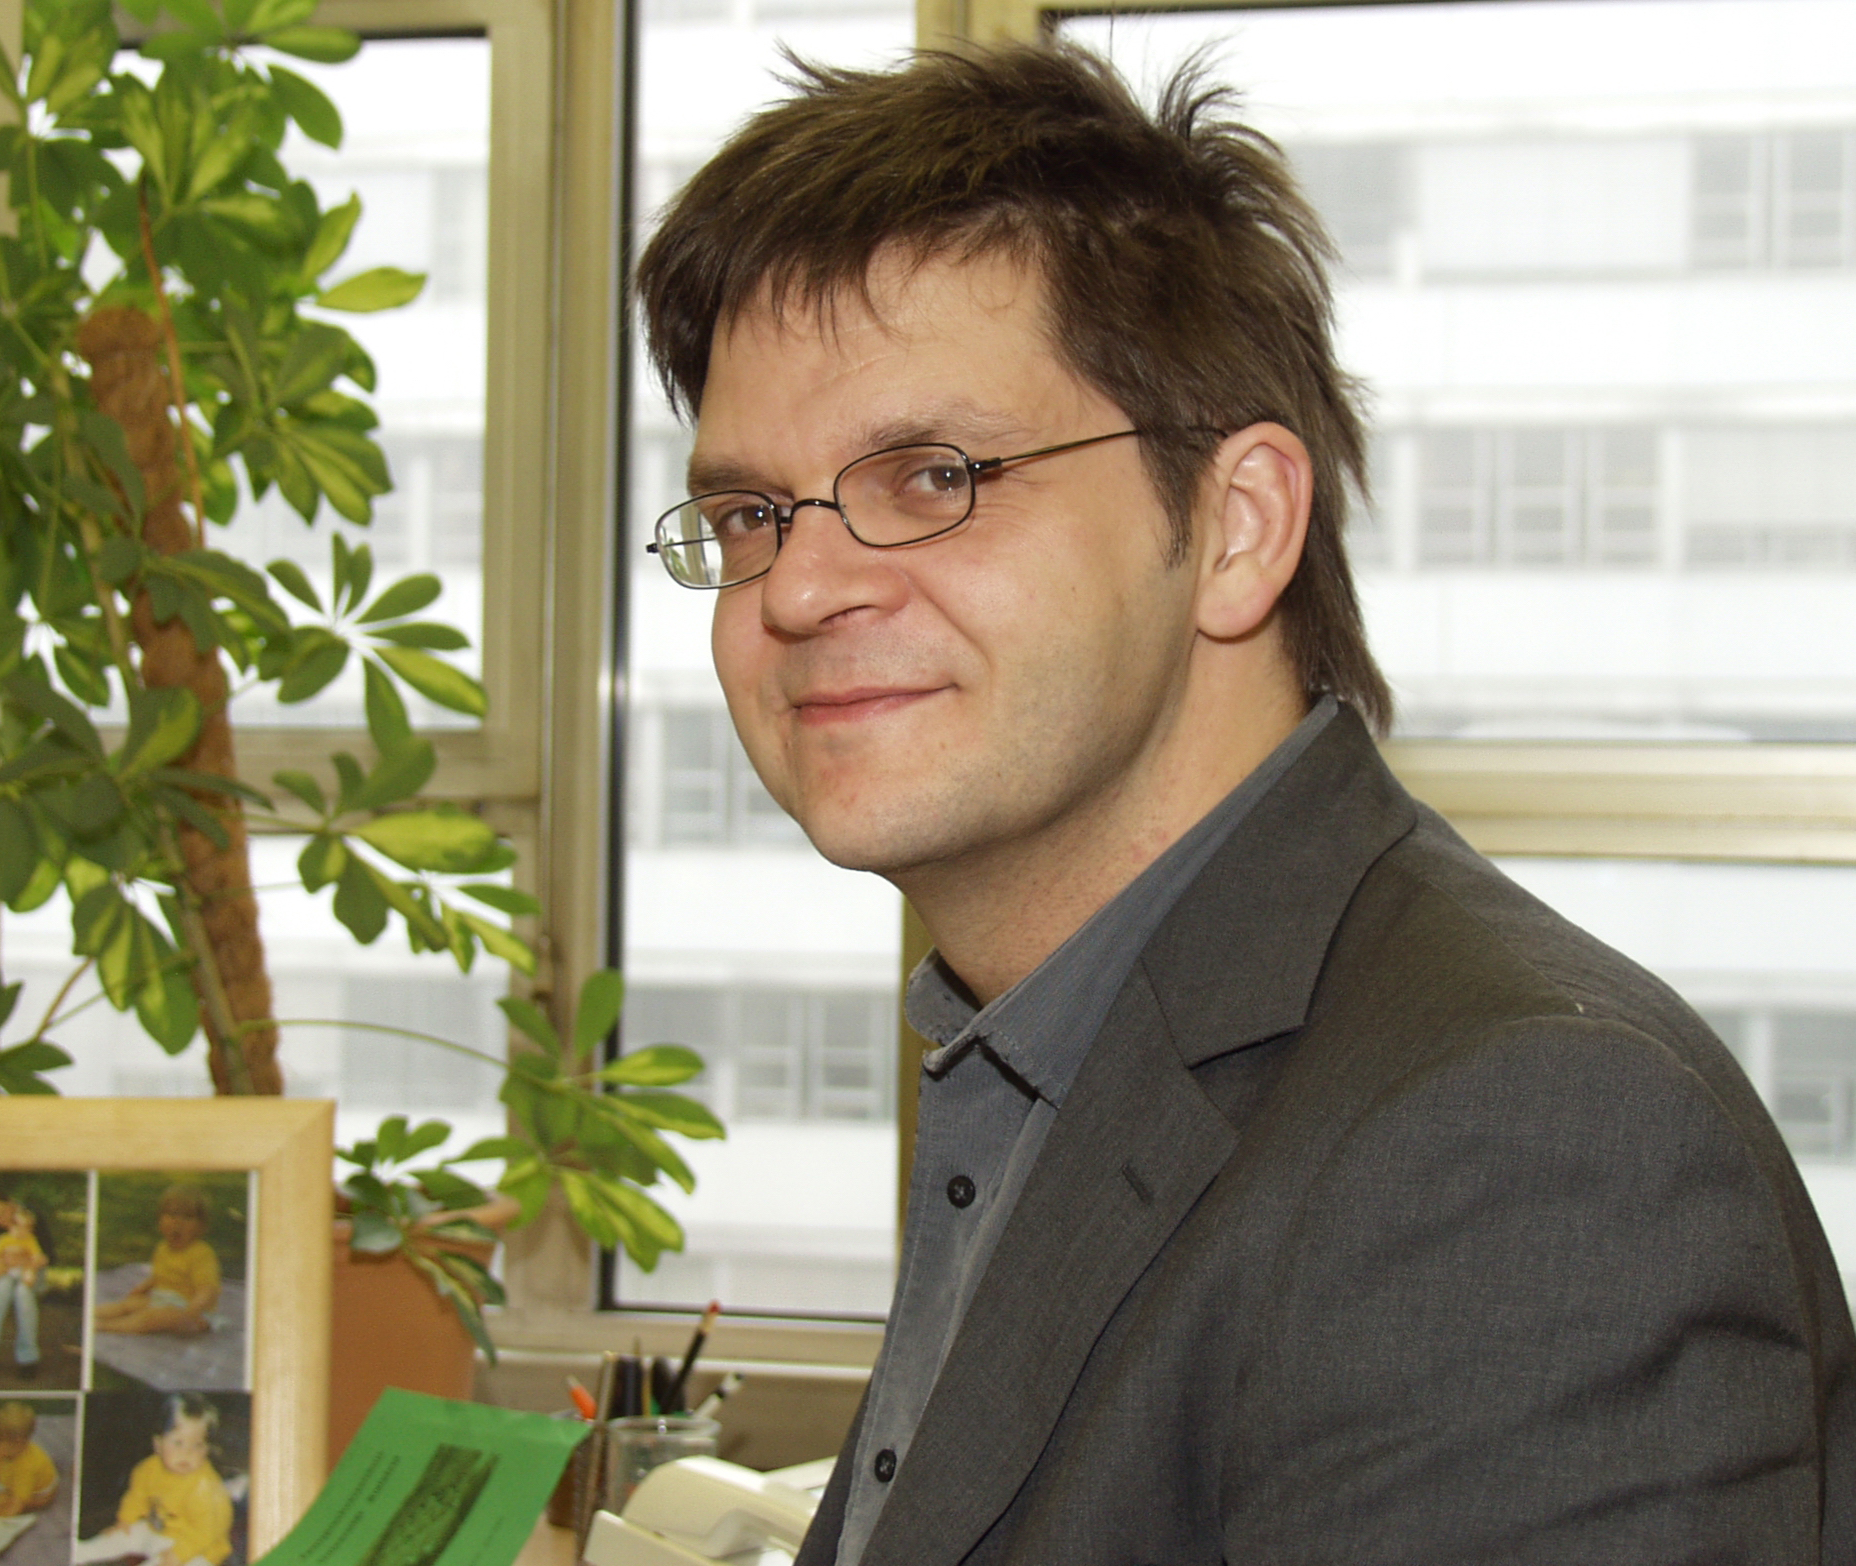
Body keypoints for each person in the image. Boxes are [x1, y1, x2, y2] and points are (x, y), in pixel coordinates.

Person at [633, 40, 1856, 1563]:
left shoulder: (1517, 1147)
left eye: (933, 476)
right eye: (750, 511)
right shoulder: (1052, 1055)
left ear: (1236, 527)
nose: (797, 587)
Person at [107, 1394, 232, 1566]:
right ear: (158, 1444)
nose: (187, 1453)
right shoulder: (147, 1469)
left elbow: (206, 1532)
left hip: (202, 1547)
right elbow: (136, 1497)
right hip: (165, 1532)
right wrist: (124, 1520)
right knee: (126, 1533)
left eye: (197, 1445)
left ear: (207, 1449)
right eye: (178, 1443)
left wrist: (178, 1554)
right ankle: (83, 1551)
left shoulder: (205, 1487)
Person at [96, 1185, 221, 1337]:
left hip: (191, 1310)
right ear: (160, 1221)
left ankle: (105, 1326)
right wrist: (141, 1289)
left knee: (151, 1317)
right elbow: (158, 1277)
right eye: (172, 1215)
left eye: (188, 1217)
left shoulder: (201, 1253)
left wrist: (192, 1311)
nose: (178, 1222)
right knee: (128, 1305)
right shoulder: (162, 1248)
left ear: (201, 1227)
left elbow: (207, 1290)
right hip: (162, 1300)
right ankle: (89, 1314)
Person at [0, 1190, 49, 1377]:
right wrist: (3, 1264)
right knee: (0, 1295)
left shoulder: (31, 1218)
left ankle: (28, 1358)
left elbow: (47, 1256)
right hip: (4, 1272)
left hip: (30, 1272)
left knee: (24, 1296)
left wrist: (27, 1264)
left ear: (11, 1206)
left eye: (0, 1214)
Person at [0, 1402, 58, 1518]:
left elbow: (19, 1503)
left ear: (19, 1444)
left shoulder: (25, 1468)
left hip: (36, 1495)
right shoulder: (6, 1453)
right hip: (15, 1479)